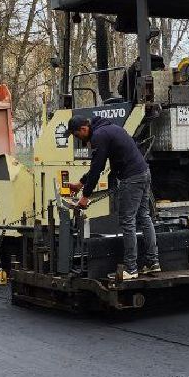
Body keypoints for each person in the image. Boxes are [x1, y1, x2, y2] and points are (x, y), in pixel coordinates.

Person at [68, 115, 159, 280]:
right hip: (144, 172)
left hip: (132, 178)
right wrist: (81, 183)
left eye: (76, 135)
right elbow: (98, 165)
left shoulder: (98, 136)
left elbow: (97, 168)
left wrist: (85, 196)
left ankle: (131, 269)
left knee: (128, 221)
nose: (77, 139)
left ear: (83, 129)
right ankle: (153, 262)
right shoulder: (107, 128)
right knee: (144, 216)